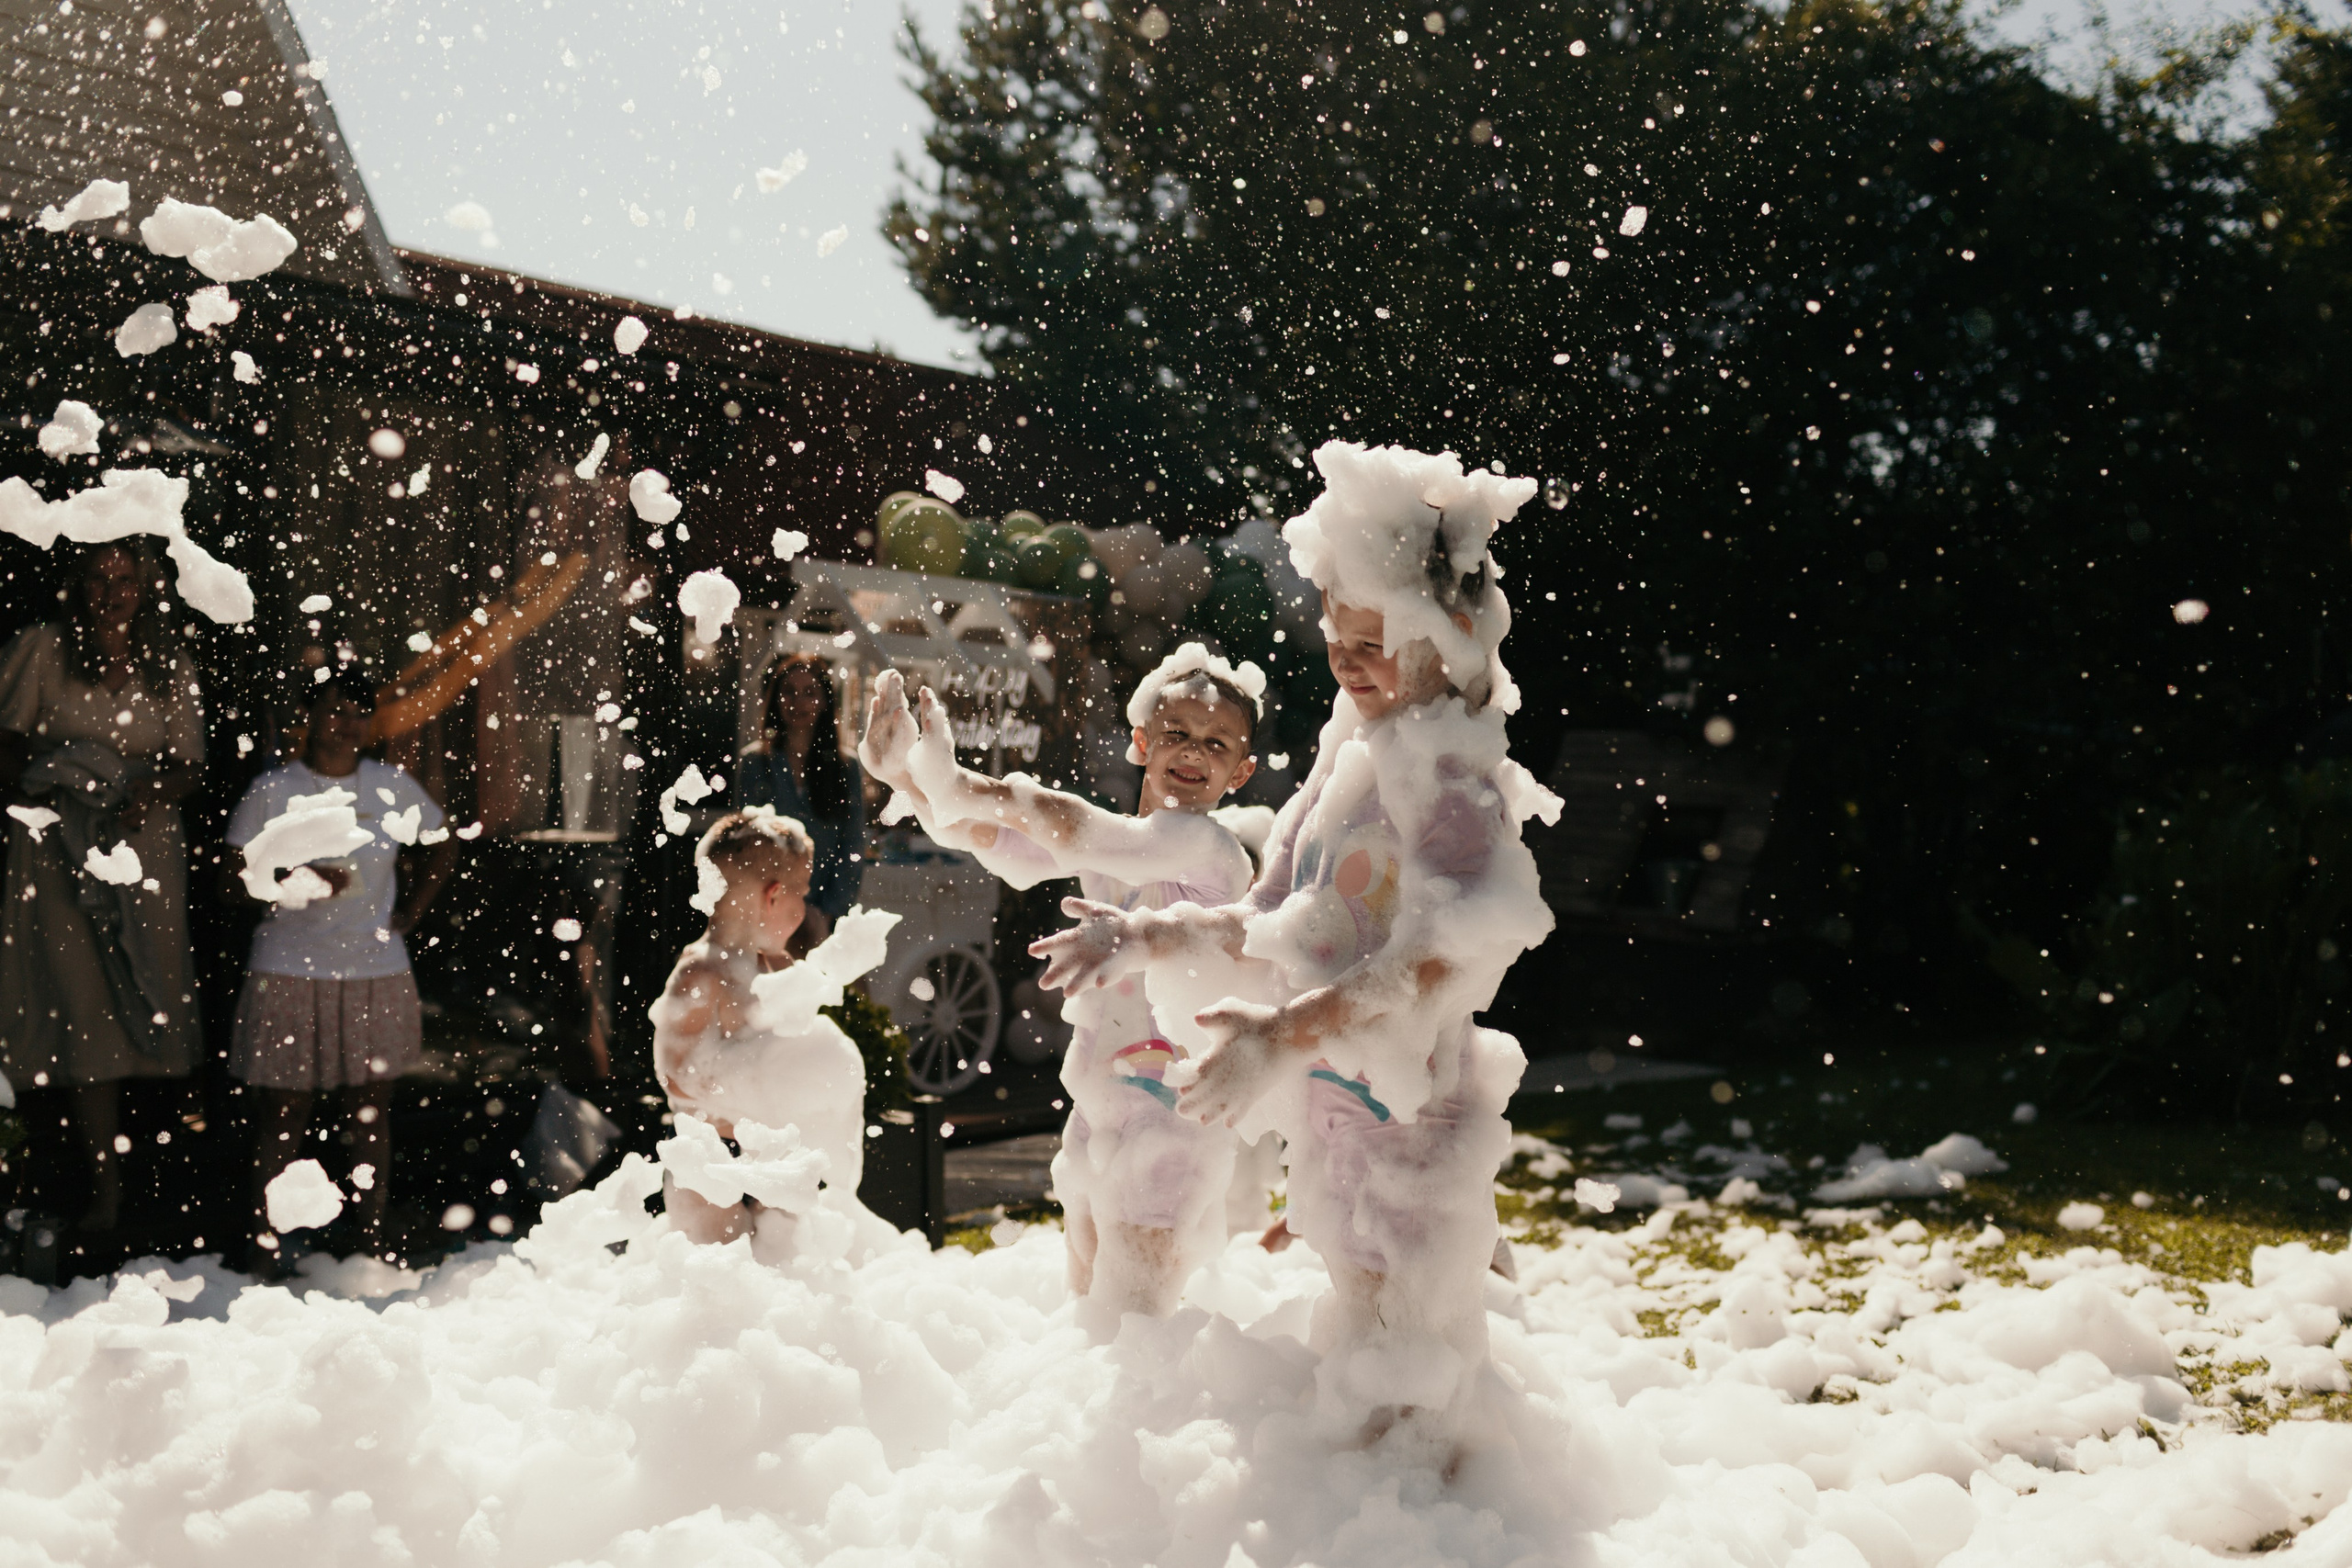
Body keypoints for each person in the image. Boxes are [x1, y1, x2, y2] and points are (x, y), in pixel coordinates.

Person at [1032, 443, 1562, 1464]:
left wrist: (1283, 1034)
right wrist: (1145, 935)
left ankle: (1465, 1508)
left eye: (1371, 641)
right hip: (1338, 1123)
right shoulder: (1348, 755)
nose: (1347, 663)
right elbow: (1268, 913)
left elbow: (1449, 954)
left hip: (1414, 1126)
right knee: (1374, 1381)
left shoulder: (1453, 778)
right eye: (1333, 636)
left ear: (1444, 633)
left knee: (1411, 1396)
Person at [860, 646, 1262, 1321]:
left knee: (1134, 1318)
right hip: (1099, 1107)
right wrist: (907, 778)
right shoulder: (1112, 845)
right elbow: (995, 839)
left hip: (1174, 1122)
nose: (1194, 751)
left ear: (1241, 772)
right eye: (1176, 733)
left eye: (1216, 743)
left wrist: (955, 781)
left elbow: (1070, 825)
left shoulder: (1213, 852)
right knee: (1087, 1307)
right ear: (1142, 742)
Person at [0, 540, 205, 1235]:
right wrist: (61, 775)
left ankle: (155, 1182)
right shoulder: (43, 648)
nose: (111, 593)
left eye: (125, 579)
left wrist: (148, 790)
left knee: (149, 994)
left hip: (142, 845)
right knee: (82, 1006)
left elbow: (190, 765)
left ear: (147, 588)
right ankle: (98, 1187)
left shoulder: (168, 662)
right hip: (59, 846)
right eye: (98, 577)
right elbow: (5, 742)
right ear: (78, 582)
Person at [224, 671, 458, 1261]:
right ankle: (266, 1242)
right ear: (308, 718)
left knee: (369, 1111)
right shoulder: (276, 788)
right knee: (284, 1111)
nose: (347, 723)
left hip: (371, 966)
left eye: (358, 711)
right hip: (290, 967)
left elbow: (443, 841)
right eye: (334, 710)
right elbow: (228, 879)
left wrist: (412, 911)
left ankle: (367, 1242)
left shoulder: (389, 784)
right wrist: (290, 880)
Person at [650, 807, 890, 1247]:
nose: (804, 909)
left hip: (768, 1151)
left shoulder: (772, 965)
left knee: (782, 1261)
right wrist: (743, 1095)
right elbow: (673, 1073)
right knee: (718, 1264)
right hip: (709, 1156)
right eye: (803, 894)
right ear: (773, 897)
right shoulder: (701, 972)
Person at [735, 655, 863, 944]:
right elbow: (746, 844)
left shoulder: (845, 767)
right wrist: (773, 909)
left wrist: (825, 914)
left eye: (809, 692)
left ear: (825, 701)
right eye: (789, 691)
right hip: (766, 913)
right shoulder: (756, 762)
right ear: (776, 699)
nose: (798, 701)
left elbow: (852, 847)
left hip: (825, 918)